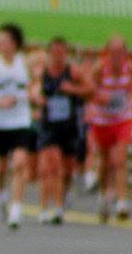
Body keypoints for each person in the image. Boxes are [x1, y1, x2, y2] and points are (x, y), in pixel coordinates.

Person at [32, 37, 92, 226]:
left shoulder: (73, 72)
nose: (58, 57)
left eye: (62, 53)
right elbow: (33, 89)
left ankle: (62, 197)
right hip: (49, 126)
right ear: (49, 53)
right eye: (54, 53)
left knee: (66, 170)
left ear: (66, 54)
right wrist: (37, 98)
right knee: (50, 167)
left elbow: (91, 90)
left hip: (69, 126)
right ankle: (49, 208)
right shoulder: (43, 72)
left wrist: (72, 89)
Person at [0, 23, 34, 228]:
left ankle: (16, 208)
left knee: (20, 163)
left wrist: (34, 94)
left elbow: (35, 83)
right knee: (2, 166)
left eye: (4, 41)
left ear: (14, 43)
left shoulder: (24, 63)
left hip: (20, 120)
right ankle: (1, 193)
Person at [85, 36, 132, 221]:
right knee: (105, 162)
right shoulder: (100, 69)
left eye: (120, 52)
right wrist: (98, 97)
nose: (117, 56)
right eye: (113, 52)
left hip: (123, 119)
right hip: (102, 121)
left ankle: (122, 202)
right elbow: (87, 90)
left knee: (120, 158)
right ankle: (103, 197)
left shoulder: (130, 68)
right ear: (107, 53)